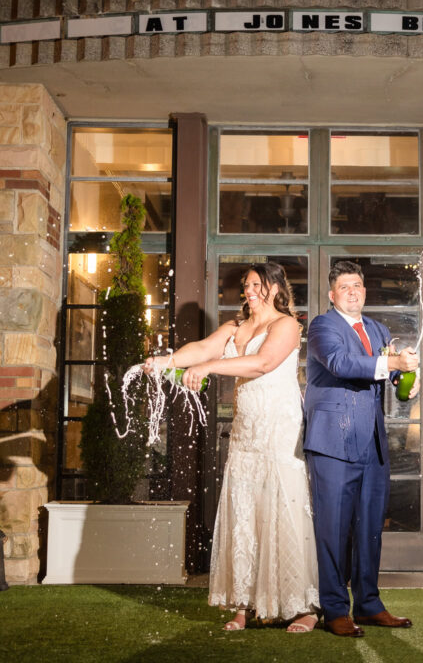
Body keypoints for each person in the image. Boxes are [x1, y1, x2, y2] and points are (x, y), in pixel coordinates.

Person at [144, 263, 319, 633]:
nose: (249, 291)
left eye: (257, 284)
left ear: (275, 287)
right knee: (243, 511)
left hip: (278, 430)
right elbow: (204, 347)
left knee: (283, 509)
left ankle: (301, 605)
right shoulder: (236, 327)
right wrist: (167, 361)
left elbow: (262, 363)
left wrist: (209, 368)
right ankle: (243, 605)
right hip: (246, 432)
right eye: (246, 285)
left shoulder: (287, 325)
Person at [304, 260, 419, 638]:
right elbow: (339, 362)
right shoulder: (322, 326)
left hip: (372, 443)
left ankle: (368, 604)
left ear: (365, 292)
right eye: (345, 286)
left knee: (370, 528)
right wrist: (391, 363)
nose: (353, 291)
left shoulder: (378, 328)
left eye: (358, 285)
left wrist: (407, 379)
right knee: (333, 530)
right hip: (333, 442)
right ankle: (335, 609)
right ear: (332, 294)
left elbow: (393, 373)